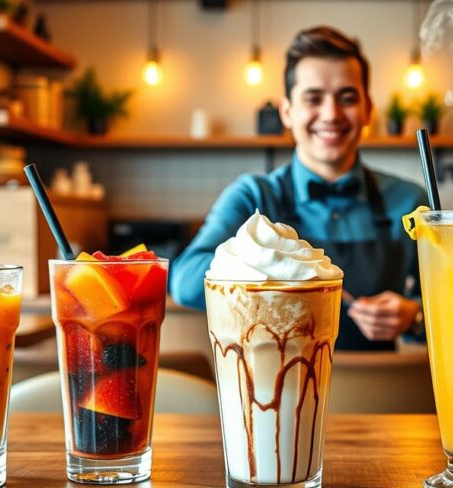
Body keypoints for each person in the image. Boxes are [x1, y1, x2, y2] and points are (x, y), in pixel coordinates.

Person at [170, 26, 427, 351]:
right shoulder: (253, 196)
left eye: (347, 98)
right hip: (276, 384)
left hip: (378, 383)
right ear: (287, 112)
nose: (331, 114)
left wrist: (414, 315)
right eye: (313, 98)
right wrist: (275, 267)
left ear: (367, 110)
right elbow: (185, 281)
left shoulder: (410, 201)